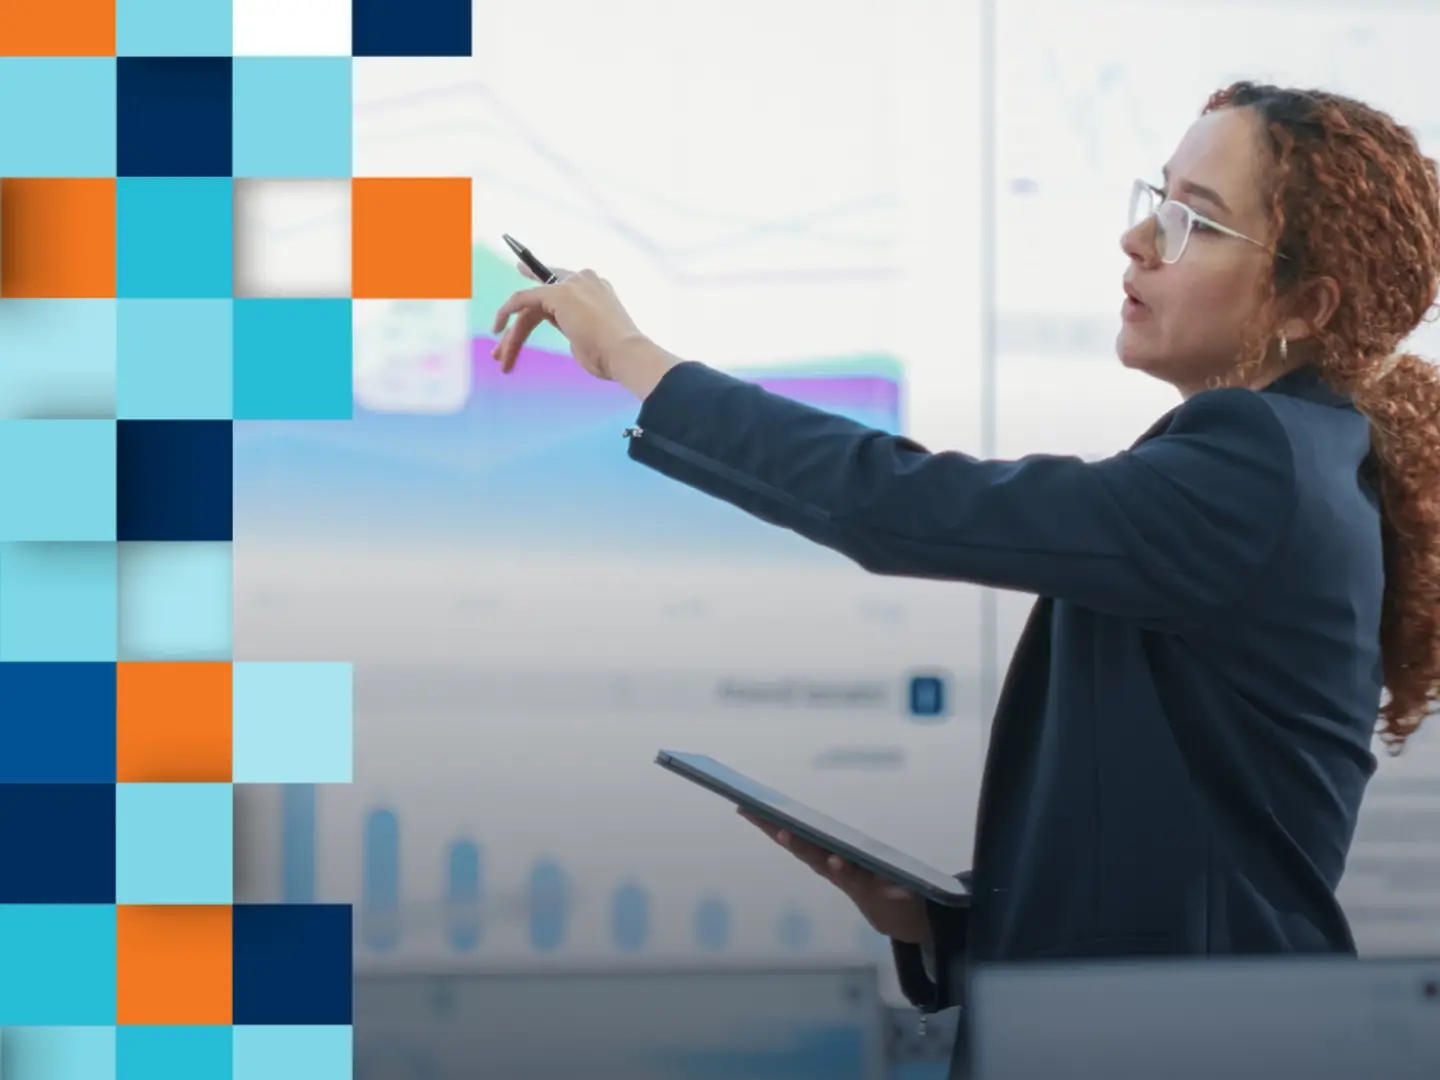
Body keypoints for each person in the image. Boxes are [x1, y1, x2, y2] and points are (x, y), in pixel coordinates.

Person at [491, 82, 1440, 1077]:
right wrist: (944, 920)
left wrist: (639, 360)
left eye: (1192, 220)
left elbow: (904, 505)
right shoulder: (1297, 464)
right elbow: (1180, 862)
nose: (1139, 241)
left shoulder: (1255, 465)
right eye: (1153, 200)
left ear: (1305, 303)